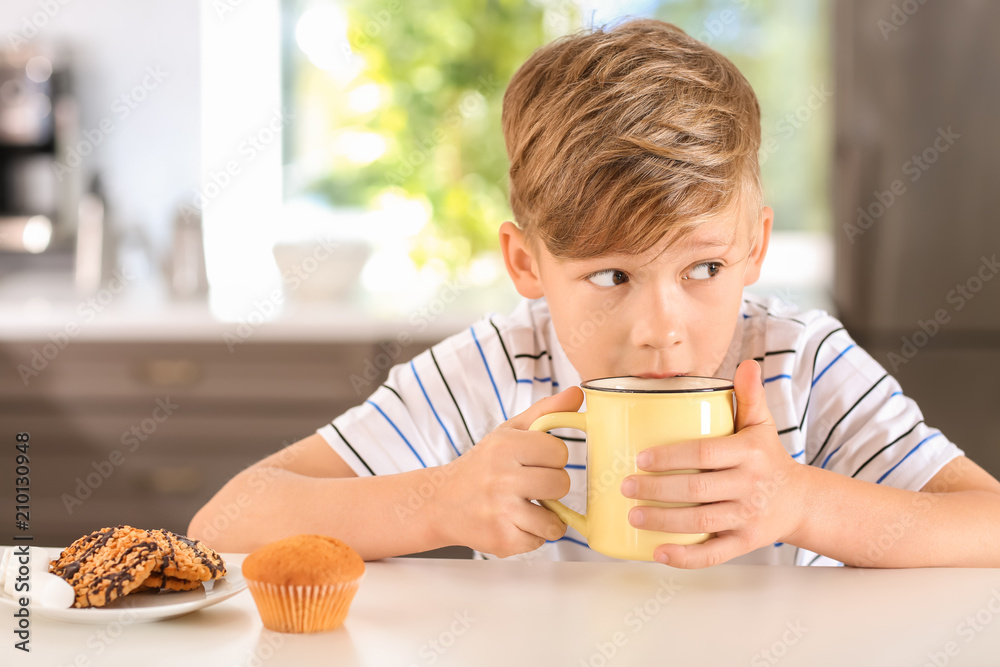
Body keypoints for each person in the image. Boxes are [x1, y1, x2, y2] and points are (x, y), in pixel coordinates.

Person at [189, 18, 1000, 568]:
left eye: (703, 270)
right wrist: (437, 502)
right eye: (610, 276)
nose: (661, 330)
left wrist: (804, 504)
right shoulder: (494, 372)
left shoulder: (802, 365)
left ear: (754, 242)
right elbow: (225, 522)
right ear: (527, 264)